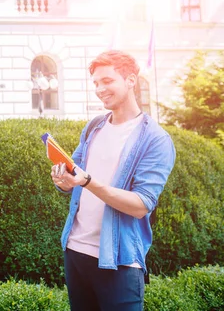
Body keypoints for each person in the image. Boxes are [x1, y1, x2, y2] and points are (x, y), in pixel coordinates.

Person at [51, 50, 176, 311]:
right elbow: (74, 174)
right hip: (75, 249)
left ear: (131, 80)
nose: (99, 89)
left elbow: (141, 204)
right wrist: (63, 180)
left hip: (118, 260)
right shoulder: (94, 126)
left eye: (107, 81)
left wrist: (87, 182)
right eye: (96, 83)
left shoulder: (155, 138)